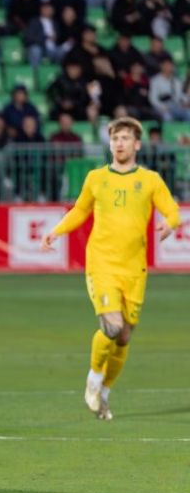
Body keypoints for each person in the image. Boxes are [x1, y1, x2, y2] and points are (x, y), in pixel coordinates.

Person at [40, 117, 181, 421]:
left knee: (124, 337)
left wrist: (170, 224)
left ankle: (104, 392)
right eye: (115, 138)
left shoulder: (151, 180)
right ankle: (93, 378)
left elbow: (172, 210)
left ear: (137, 144)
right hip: (102, 263)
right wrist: (57, 230)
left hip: (134, 270)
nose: (119, 143)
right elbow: (80, 209)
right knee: (112, 327)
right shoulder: (96, 178)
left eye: (125, 138)